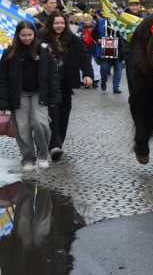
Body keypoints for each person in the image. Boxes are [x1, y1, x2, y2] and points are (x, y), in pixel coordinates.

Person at [0, 21, 61, 172]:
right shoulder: (9, 53)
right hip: (18, 94)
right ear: (18, 35)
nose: (27, 38)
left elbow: (53, 75)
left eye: (29, 35)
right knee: (22, 127)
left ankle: (42, 155)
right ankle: (27, 158)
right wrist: (4, 100)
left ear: (34, 35)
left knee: (41, 123)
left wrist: (53, 98)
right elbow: (2, 78)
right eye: (23, 35)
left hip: (39, 93)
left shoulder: (44, 52)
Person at [38, 12, 93, 161]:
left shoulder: (73, 40)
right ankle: (53, 145)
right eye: (56, 23)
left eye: (62, 23)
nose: (59, 26)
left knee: (64, 115)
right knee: (53, 115)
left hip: (65, 83)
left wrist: (88, 74)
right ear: (51, 24)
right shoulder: (41, 38)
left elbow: (83, 58)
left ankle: (58, 143)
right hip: (47, 83)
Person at [121, 0, 147, 95]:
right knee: (131, 74)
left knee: (142, 72)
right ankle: (133, 95)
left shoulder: (145, 17)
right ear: (129, 6)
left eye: (136, 5)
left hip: (142, 50)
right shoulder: (123, 17)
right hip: (129, 49)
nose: (134, 7)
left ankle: (143, 94)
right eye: (132, 5)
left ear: (139, 5)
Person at [93, 16, 124, 93]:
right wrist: (97, 39)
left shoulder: (121, 21)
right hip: (105, 49)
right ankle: (103, 82)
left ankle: (116, 87)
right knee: (104, 69)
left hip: (118, 50)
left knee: (118, 69)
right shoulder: (101, 22)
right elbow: (94, 33)